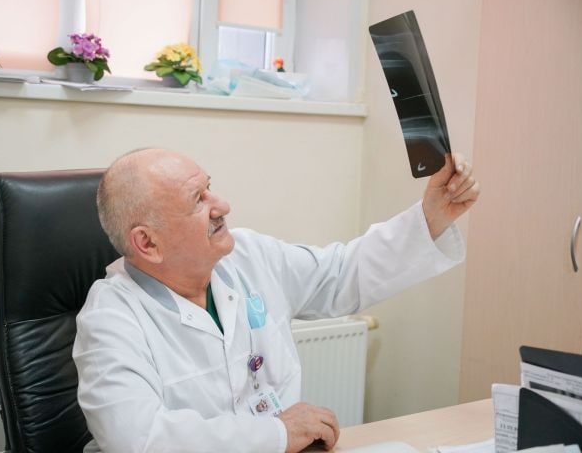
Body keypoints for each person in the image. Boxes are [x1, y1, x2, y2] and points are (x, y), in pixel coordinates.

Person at [73, 148, 479, 453]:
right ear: (147, 243)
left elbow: (340, 274)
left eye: (210, 188)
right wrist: (277, 433)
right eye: (198, 200)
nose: (222, 206)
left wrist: (432, 215)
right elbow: (138, 439)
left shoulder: (249, 256)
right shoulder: (111, 317)